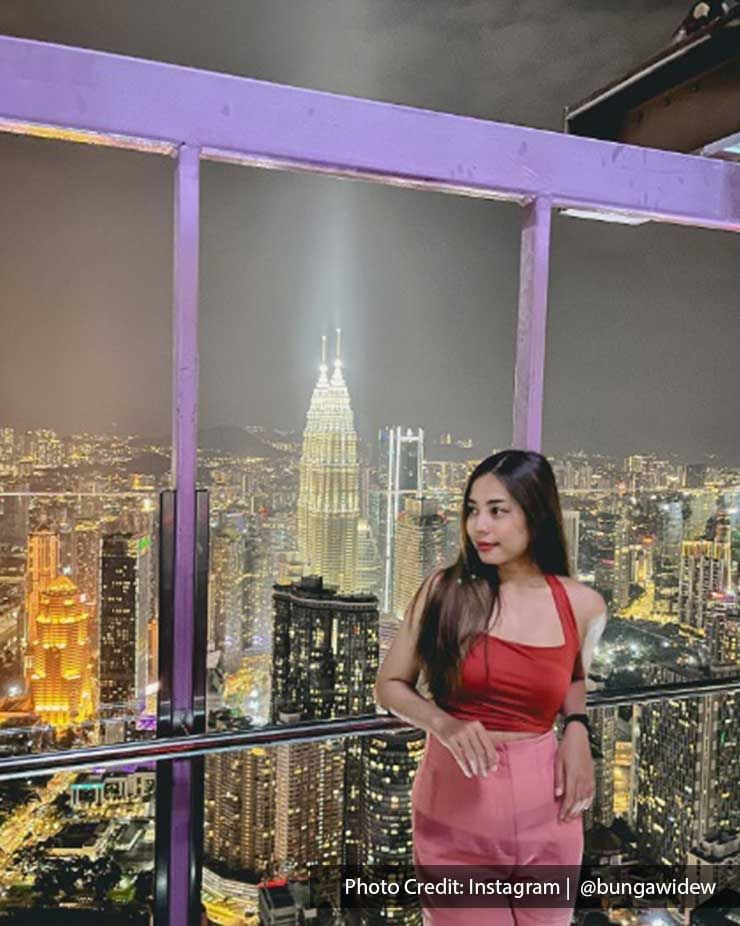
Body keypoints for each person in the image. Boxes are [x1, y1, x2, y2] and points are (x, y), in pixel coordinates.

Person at [374, 450, 609, 925]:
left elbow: (573, 676)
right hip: (456, 814)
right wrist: (443, 723)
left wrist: (578, 728)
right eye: (472, 510)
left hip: (552, 816)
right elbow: (390, 685)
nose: (479, 526)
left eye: (497, 511)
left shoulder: (582, 604)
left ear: (535, 514)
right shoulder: (443, 592)